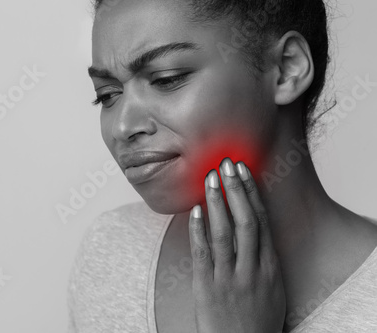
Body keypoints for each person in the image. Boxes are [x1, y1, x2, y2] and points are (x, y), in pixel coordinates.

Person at [67, 0, 377, 332]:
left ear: (287, 69)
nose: (123, 127)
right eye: (107, 95)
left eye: (166, 78)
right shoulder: (111, 253)